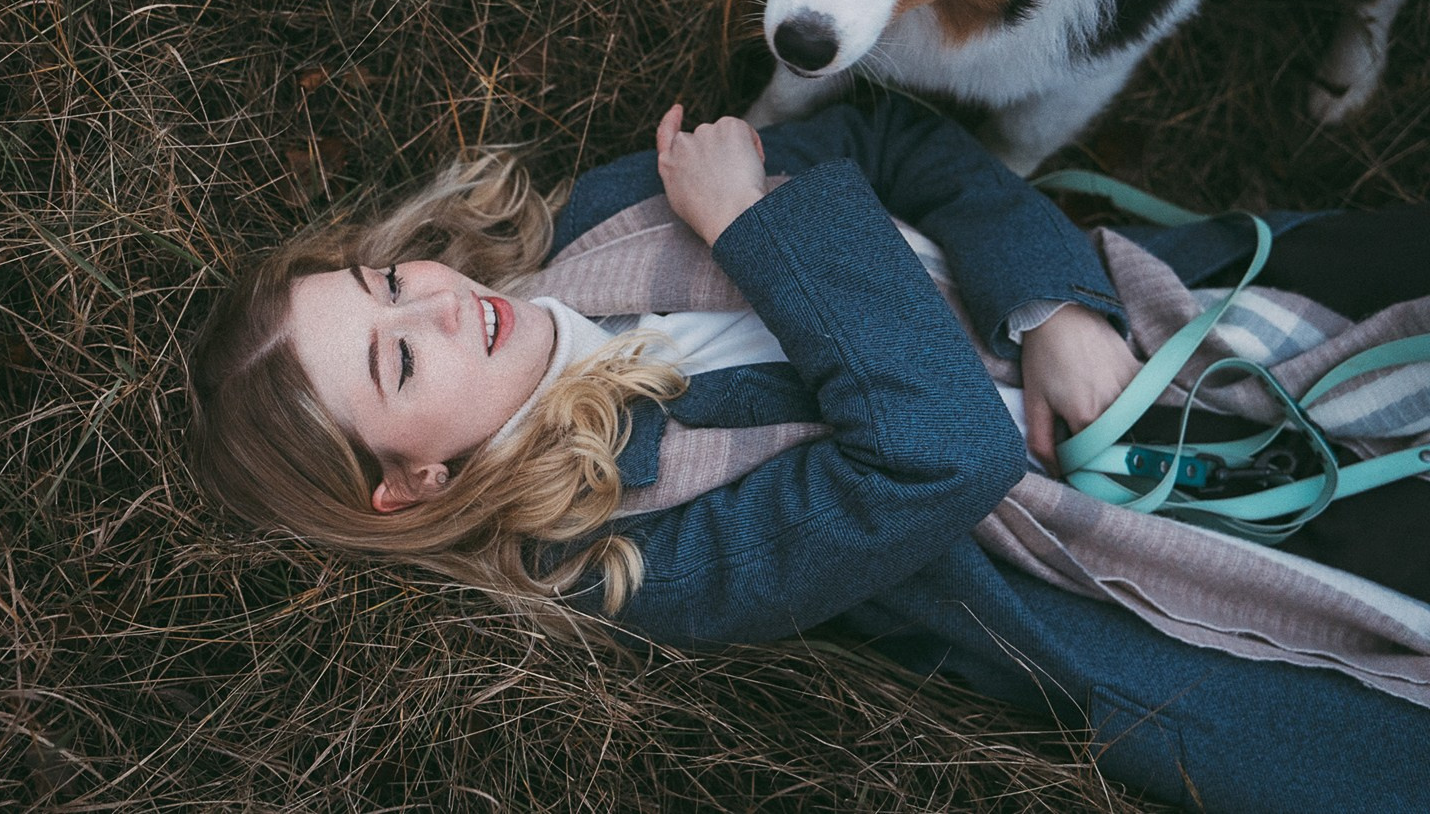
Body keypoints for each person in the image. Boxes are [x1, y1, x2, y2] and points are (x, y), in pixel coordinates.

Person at [189, 96, 1430, 814]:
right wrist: (747, 217)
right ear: (408, 482)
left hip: (1143, 323)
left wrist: (1047, 301)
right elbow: (939, 454)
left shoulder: (599, 213)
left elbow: (884, 141)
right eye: (397, 361)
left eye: (387, 282)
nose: (441, 304)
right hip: (1120, 547)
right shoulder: (622, 550)